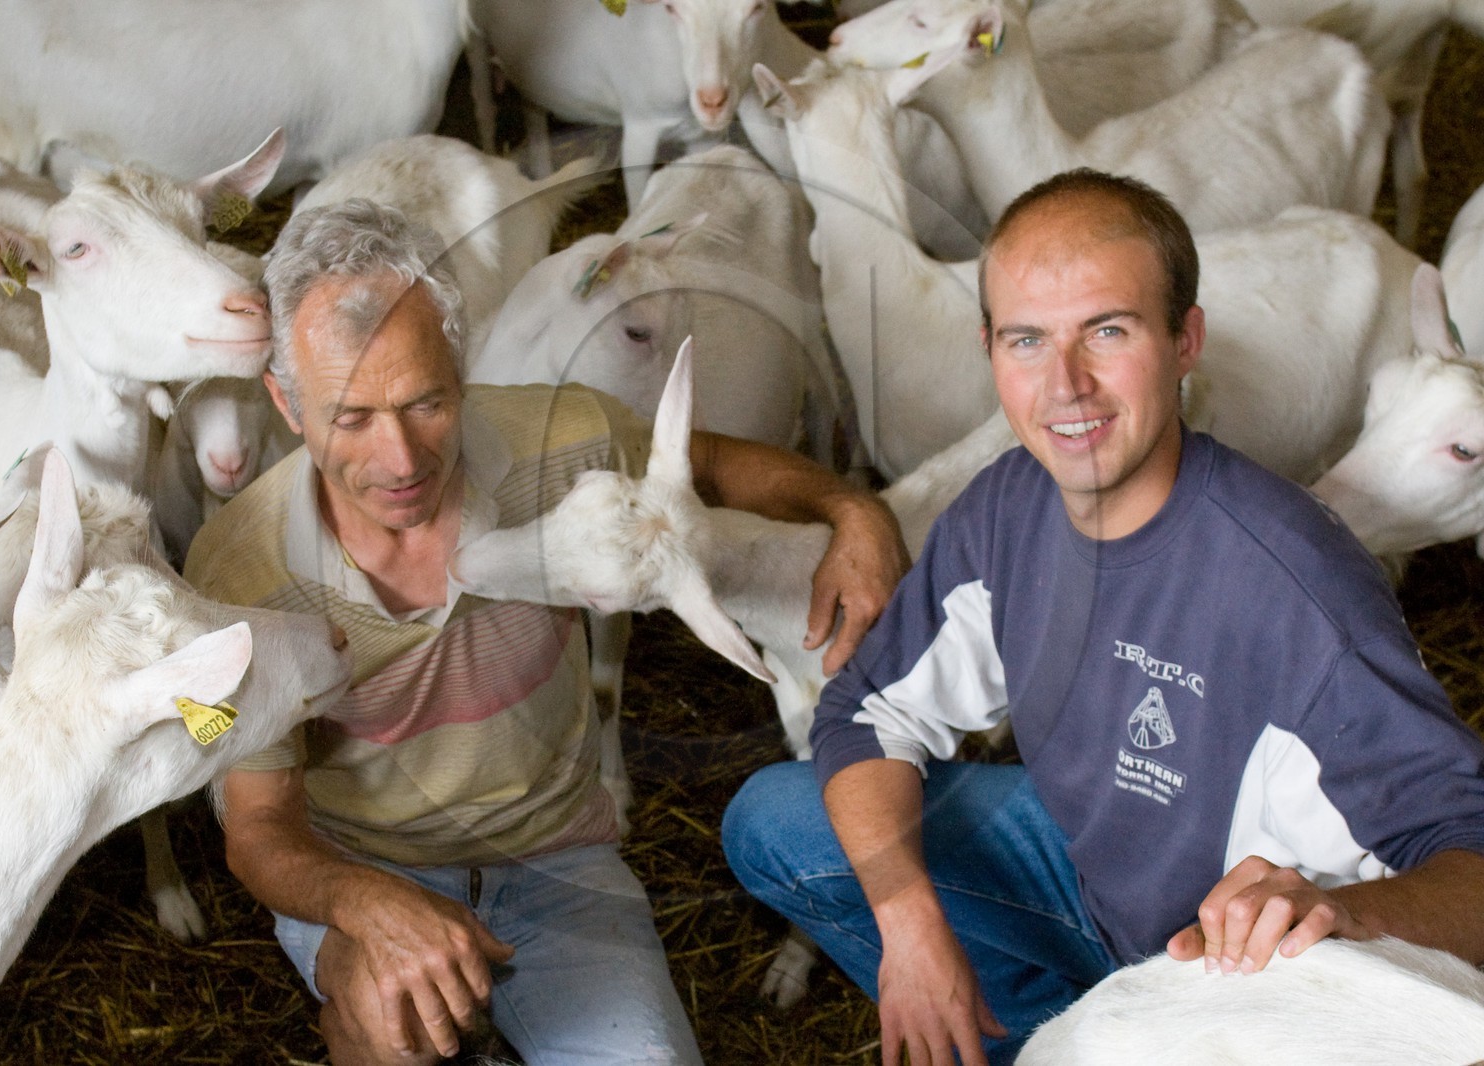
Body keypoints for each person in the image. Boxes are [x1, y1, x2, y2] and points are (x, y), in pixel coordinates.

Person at [721, 169, 1484, 1066]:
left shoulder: (1296, 592)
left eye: (1108, 332)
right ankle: (1036, 1039)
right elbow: (865, 709)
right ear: (989, 349)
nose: (1066, 385)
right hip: (1088, 875)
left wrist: (1345, 910)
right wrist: (910, 925)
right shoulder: (1008, 507)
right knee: (774, 820)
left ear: (1185, 339)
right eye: (1028, 340)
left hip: (1230, 969)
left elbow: (1469, 854)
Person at [183, 198, 907, 1066]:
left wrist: (851, 506)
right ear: (286, 404)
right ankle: (363, 1016)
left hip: (559, 864)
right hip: (369, 870)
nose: (403, 460)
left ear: (461, 365)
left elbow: (705, 464)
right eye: (352, 418)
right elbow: (256, 829)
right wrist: (361, 903)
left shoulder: (563, 435)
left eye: (426, 403)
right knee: (393, 1029)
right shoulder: (234, 571)